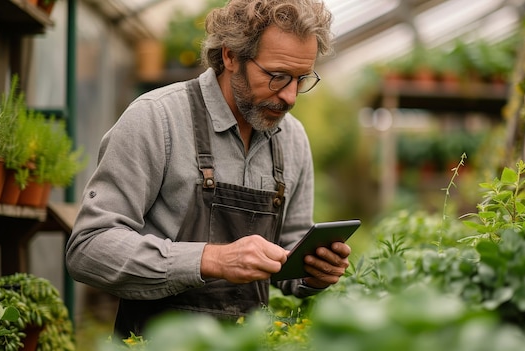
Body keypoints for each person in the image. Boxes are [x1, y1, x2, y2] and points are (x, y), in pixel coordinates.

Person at [65, 0, 351, 338]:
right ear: (230, 56)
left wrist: (311, 272)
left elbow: (290, 249)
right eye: (277, 77)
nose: (290, 96)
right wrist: (210, 259)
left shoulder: (293, 140)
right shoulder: (156, 119)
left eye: (301, 79)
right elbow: (88, 249)